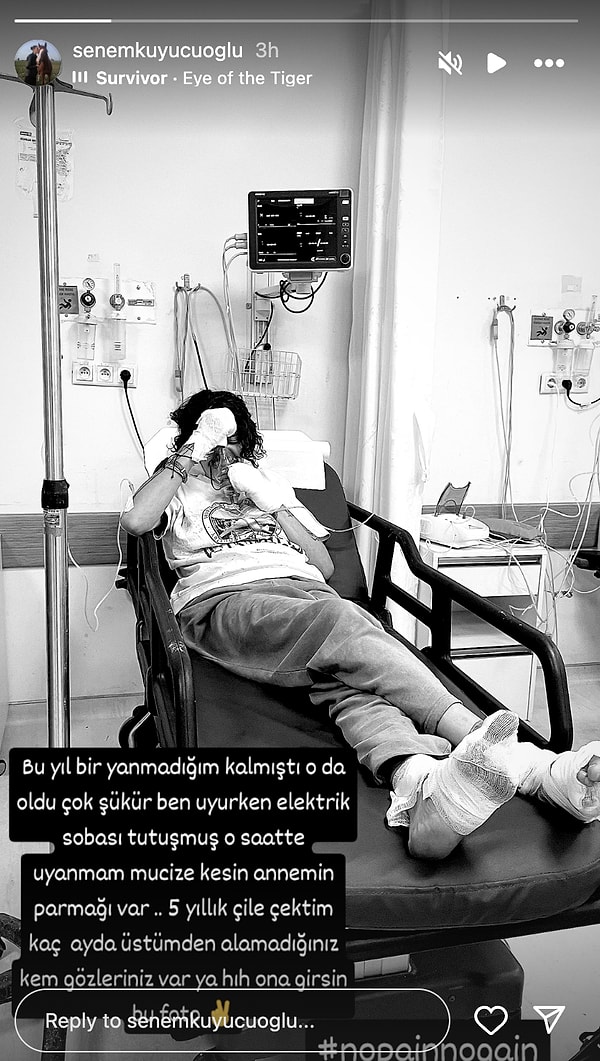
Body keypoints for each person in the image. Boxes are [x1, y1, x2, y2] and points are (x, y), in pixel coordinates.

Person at [121, 389, 600, 860]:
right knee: (343, 619)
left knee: (348, 681)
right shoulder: (174, 485)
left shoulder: (265, 485)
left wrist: (273, 503)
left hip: (306, 593)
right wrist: (192, 450)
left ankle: (422, 789)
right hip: (227, 600)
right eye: (215, 442)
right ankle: (526, 764)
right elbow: (138, 521)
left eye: (234, 443)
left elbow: (324, 566)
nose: (224, 455)